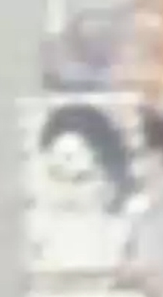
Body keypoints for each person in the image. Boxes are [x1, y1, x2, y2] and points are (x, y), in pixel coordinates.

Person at [26, 102, 145, 275]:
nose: (68, 192)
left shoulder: (124, 232)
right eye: (57, 176)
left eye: (81, 179)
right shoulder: (33, 232)